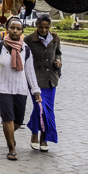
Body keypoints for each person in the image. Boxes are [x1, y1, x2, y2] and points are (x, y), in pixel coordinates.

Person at [0, 17, 41, 160]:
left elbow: (30, 71)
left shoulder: (26, 49)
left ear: (22, 31)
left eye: (18, 29)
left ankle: (9, 133)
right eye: (12, 28)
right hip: (2, 88)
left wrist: (36, 90)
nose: (15, 31)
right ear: (7, 29)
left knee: (18, 121)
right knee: (8, 118)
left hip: (20, 88)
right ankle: (11, 148)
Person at [24, 13, 62, 152]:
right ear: (36, 25)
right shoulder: (28, 40)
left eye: (47, 27)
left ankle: (44, 138)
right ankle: (35, 132)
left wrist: (58, 61)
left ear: (50, 26)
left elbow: (58, 53)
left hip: (51, 79)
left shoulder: (55, 38)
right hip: (35, 79)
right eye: (41, 27)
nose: (44, 30)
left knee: (48, 110)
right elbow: (24, 58)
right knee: (39, 107)